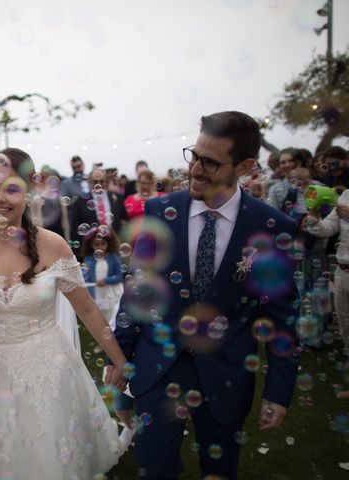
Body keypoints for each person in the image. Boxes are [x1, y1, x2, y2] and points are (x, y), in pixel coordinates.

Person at [111, 111, 301, 479]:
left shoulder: (270, 226)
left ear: (244, 166)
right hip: (158, 365)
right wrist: (121, 352)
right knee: (154, 468)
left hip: (225, 372)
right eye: (194, 155)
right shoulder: (159, 210)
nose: (195, 170)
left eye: (210, 162)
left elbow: (282, 317)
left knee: (219, 468)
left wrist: (278, 390)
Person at [0, 148, 127, 479]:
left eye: (11, 188)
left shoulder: (54, 245)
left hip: (46, 370)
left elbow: (86, 307)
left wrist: (120, 361)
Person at [304, 188, 349, 398]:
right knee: (345, 325)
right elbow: (326, 229)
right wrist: (313, 215)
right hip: (341, 270)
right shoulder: (346, 195)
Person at [69, 168, 127, 259]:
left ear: (107, 182)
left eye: (102, 181)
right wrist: (79, 255)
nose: (98, 184)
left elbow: (124, 221)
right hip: (91, 251)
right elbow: (75, 229)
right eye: (95, 182)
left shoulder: (117, 198)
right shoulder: (80, 202)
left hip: (114, 249)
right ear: (90, 183)